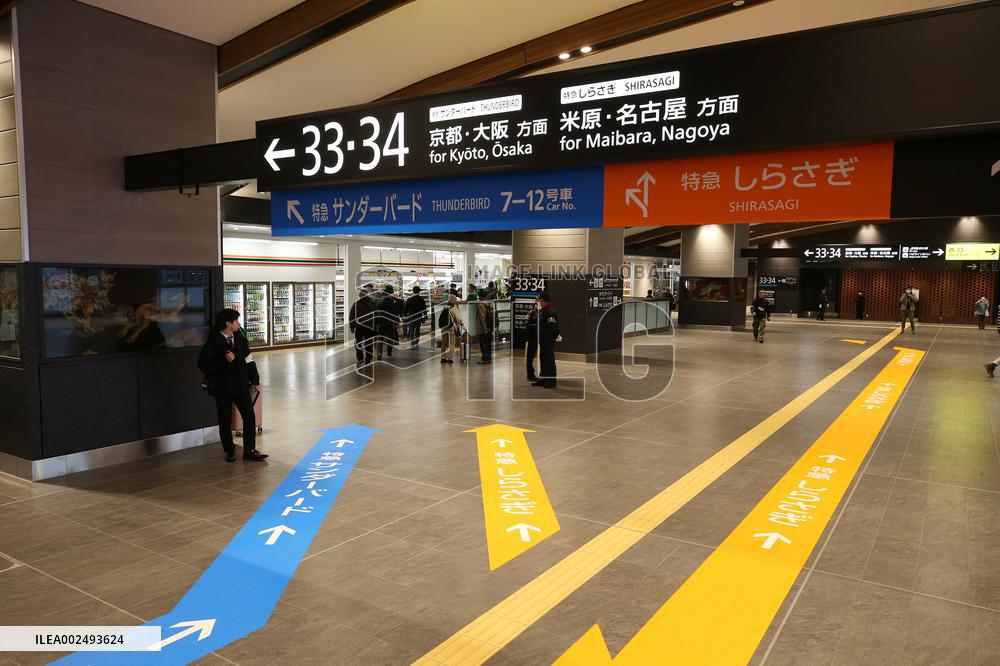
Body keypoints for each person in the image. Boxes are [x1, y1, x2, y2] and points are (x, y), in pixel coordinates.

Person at [197, 308, 267, 463]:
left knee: (249, 417)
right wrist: (224, 360)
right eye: (236, 321)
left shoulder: (240, 338)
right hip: (223, 388)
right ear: (228, 323)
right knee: (225, 420)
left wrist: (255, 380)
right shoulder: (213, 342)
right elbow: (203, 365)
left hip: (242, 385)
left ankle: (249, 451)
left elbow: (249, 359)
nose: (238, 323)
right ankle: (229, 451)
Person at [533, 292, 561, 388]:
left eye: (539, 299)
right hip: (543, 340)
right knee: (543, 359)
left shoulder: (549, 312)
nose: (538, 301)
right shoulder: (542, 311)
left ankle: (551, 381)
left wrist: (557, 336)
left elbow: (553, 326)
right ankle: (543, 379)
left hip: (548, 340)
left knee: (549, 361)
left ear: (542, 300)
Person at [349, 286, 376, 367]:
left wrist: (352, 327)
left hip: (359, 327)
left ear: (360, 295)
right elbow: (376, 314)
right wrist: (375, 324)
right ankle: (368, 358)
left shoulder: (356, 304)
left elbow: (352, 316)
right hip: (369, 327)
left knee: (358, 342)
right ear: (367, 295)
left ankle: (360, 358)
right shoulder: (372, 303)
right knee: (369, 343)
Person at [375, 284, 401, 359]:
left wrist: (375, 322)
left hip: (381, 322)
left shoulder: (379, 300)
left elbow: (376, 311)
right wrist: (397, 322)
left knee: (380, 338)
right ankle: (389, 352)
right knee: (390, 337)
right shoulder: (391, 301)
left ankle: (379, 353)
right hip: (389, 322)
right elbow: (394, 312)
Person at [439, 294, 464, 364]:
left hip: (444, 328)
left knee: (444, 343)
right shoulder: (454, 309)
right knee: (451, 343)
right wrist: (461, 323)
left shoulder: (445, 308)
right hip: (451, 328)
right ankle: (450, 358)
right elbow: (459, 319)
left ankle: (443, 357)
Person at [404, 285, 427, 349]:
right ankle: (416, 344)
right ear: (419, 291)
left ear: (413, 291)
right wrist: (425, 317)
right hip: (418, 317)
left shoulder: (409, 299)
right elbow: (424, 309)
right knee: (417, 331)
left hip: (411, 317)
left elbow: (406, 309)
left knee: (411, 331)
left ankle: (412, 344)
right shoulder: (421, 299)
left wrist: (405, 316)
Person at [476, 291, 494, 365]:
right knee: (488, 343)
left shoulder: (481, 304)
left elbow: (482, 317)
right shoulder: (489, 303)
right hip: (490, 326)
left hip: (484, 328)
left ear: (480, 296)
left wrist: (484, 328)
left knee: (483, 343)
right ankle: (489, 358)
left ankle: (485, 359)